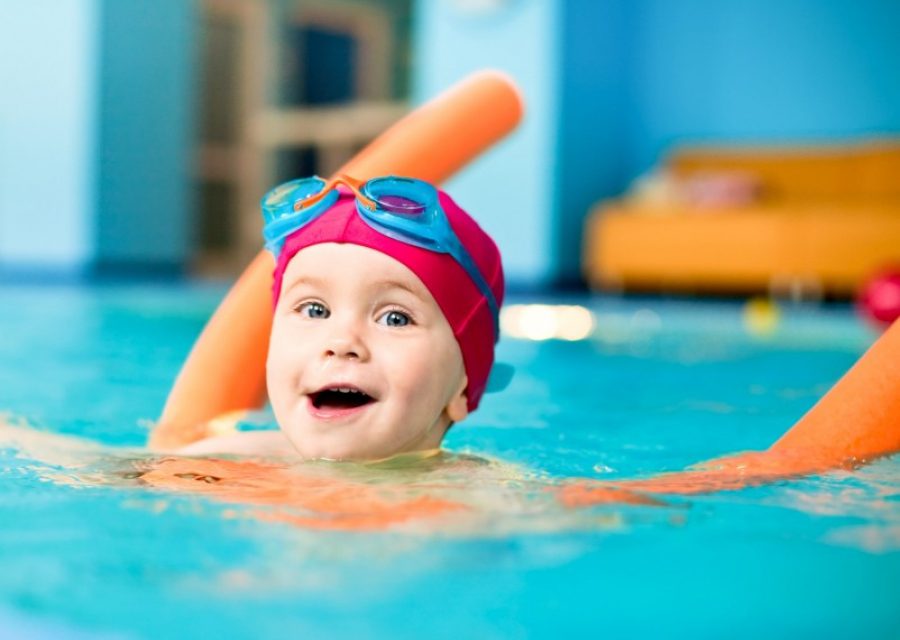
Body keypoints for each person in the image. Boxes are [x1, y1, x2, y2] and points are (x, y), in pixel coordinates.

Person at [177, 173, 509, 462]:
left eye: (395, 318)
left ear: (462, 391)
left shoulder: (483, 500)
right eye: (314, 310)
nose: (341, 342)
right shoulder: (218, 462)